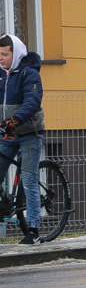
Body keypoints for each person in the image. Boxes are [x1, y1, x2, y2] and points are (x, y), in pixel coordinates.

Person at [0, 33, 45, 244]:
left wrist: (16, 119)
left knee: (28, 180)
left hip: (28, 133)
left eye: (5, 54)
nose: (1, 58)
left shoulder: (29, 73)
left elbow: (33, 100)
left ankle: (33, 230)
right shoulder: (1, 74)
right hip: (7, 134)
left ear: (15, 53)